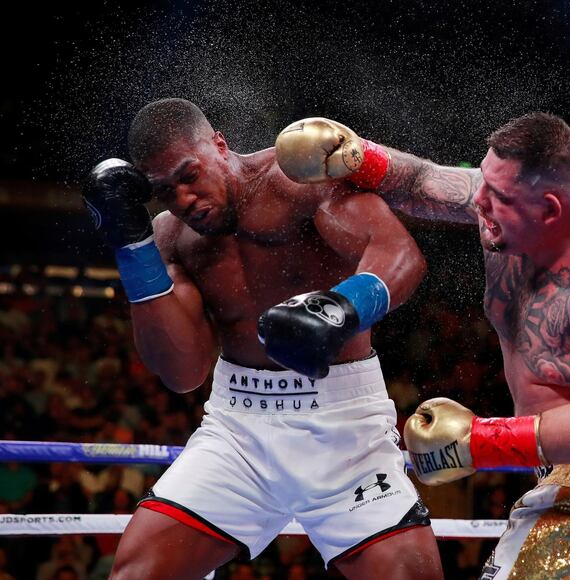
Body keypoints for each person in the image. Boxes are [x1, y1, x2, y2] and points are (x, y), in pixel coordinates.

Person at [276, 113, 570, 579]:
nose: (478, 200)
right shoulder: (508, 213)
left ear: (550, 208)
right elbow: (425, 182)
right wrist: (358, 158)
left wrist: (476, 443)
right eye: (484, 182)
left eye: (497, 196)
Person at [80, 99, 443, 579]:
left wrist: (341, 307)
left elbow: (399, 253)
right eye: (164, 191)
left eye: (190, 175)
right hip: (238, 432)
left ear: (219, 145)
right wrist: (133, 251)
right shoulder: (170, 237)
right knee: (136, 574)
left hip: (343, 427)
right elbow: (184, 373)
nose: (183, 198)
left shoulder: (295, 180)